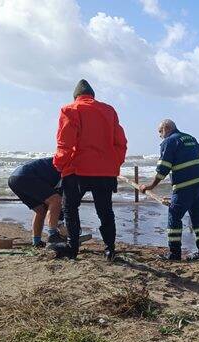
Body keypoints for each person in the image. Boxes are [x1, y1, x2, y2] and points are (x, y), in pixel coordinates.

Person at [53, 79, 128, 260]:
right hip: (105, 172)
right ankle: (110, 249)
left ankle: (72, 248)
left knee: (70, 208)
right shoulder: (109, 111)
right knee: (105, 211)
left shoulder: (70, 109)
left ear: (76, 96)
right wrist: (114, 164)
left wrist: (59, 164)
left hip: (78, 170)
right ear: (92, 95)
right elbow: (121, 143)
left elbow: (65, 143)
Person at [139, 119, 199, 261]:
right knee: (198, 217)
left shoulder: (169, 142)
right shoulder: (190, 137)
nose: (160, 136)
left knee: (174, 216)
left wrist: (150, 186)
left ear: (165, 128)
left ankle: (174, 254)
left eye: (160, 132)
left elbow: (163, 169)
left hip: (184, 186)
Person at [8, 157, 65, 247]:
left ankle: (36, 241)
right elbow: (60, 199)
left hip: (14, 178)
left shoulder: (62, 163)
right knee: (56, 200)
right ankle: (53, 236)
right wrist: (60, 223)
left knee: (41, 210)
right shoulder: (68, 169)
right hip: (26, 176)